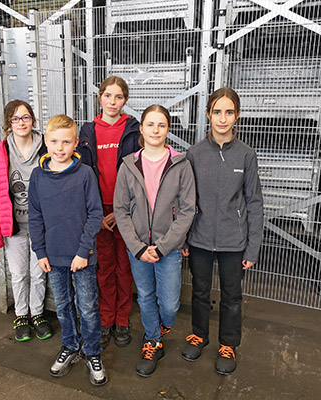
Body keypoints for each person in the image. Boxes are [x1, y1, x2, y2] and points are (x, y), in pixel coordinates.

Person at [182, 87, 263, 375]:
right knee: (200, 291)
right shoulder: (194, 154)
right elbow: (186, 200)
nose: (222, 118)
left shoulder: (246, 156)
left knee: (231, 295)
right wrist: (185, 237)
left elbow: (254, 202)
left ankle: (228, 344)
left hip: (234, 242)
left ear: (237, 116)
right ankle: (199, 335)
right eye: (217, 112)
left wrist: (252, 247)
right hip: (200, 239)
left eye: (229, 112)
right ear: (208, 115)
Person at [114, 105, 196, 377]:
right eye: (150, 124)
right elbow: (121, 210)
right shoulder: (128, 165)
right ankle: (152, 340)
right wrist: (138, 247)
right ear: (141, 128)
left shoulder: (181, 165)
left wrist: (163, 246)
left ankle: (162, 325)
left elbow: (186, 211)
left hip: (168, 248)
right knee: (146, 296)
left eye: (161, 125)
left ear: (168, 129)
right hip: (137, 248)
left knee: (170, 304)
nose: (155, 130)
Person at [28, 115, 107, 386]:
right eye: (53, 141)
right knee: (63, 306)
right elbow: (35, 216)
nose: (59, 148)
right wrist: (40, 251)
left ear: (75, 143)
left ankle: (92, 351)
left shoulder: (85, 174)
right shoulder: (38, 176)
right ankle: (71, 346)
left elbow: (96, 214)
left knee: (87, 307)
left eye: (65, 142)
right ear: (46, 142)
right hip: (53, 256)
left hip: (83, 256)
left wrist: (84, 251)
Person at [77, 76, 140, 348]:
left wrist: (122, 210)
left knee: (124, 267)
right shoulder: (88, 131)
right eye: (108, 96)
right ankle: (105, 318)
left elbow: (140, 175)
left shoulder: (134, 130)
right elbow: (82, 173)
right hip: (97, 211)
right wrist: (97, 214)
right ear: (99, 97)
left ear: (125, 100)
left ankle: (122, 318)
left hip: (125, 210)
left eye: (118, 97)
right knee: (104, 267)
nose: (112, 102)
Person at [0, 99, 51, 342]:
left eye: (26, 117)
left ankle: (37, 313)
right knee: (19, 273)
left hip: (42, 225)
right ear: (8, 124)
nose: (21, 122)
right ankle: (21, 315)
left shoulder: (46, 146)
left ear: (32, 119)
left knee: (40, 272)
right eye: (15, 118)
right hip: (14, 226)